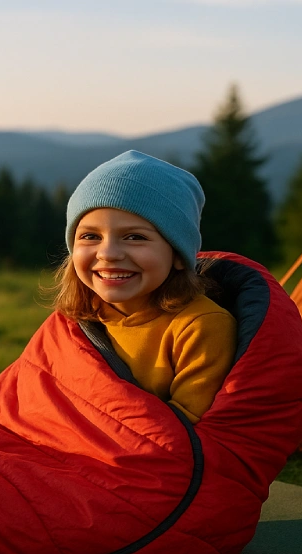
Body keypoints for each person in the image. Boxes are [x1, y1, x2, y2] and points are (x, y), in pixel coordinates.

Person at [50, 150, 236, 423]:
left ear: (177, 256)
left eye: (135, 237)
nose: (109, 253)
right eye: (90, 236)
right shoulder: (75, 320)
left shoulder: (201, 326)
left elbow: (187, 429)